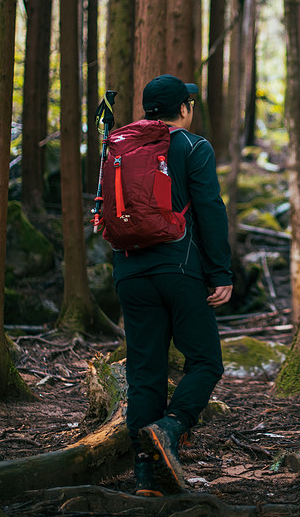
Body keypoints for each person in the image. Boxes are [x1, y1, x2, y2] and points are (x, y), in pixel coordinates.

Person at [113, 74, 233, 496]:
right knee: (205, 361)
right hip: (180, 270)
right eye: (190, 104)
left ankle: (147, 476)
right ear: (184, 108)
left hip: (129, 272)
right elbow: (210, 210)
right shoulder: (195, 147)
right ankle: (171, 426)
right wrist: (221, 273)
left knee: (145, 371)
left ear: (149, 109)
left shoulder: (120, 147)